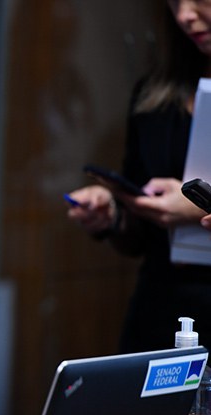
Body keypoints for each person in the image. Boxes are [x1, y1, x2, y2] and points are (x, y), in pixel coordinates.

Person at [65, 0, 211, 352]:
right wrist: (113, 215)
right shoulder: (154, 96)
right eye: (174, 3)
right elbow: (140, 237)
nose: (184, 15)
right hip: (162, 309)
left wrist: (196, 205)